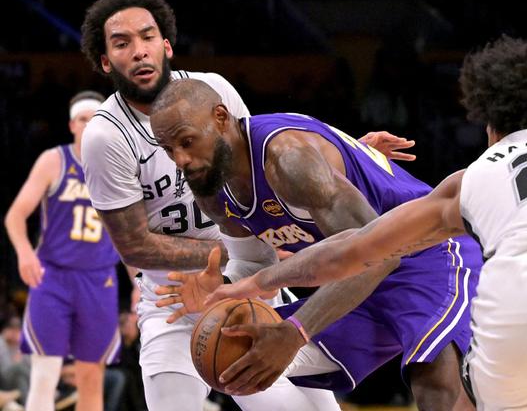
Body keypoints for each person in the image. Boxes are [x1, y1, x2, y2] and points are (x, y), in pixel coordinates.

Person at [204, 34, 527, 410]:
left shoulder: (473, 176)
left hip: (523, 306)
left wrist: (261, 279)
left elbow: (359, 249)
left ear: (491, 126)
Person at [79, 0, 414, 411]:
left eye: (147, 37)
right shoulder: (105, 136)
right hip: (175, 300)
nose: (139, 51)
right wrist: (229, 257)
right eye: (122, 43)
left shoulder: (212, 90)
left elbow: (260, 157)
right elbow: (134, 244)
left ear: (167, 45)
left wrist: (347, 151)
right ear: (106, 61)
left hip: (252, 284)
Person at [149, 78, 483, 410]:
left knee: (437, 389)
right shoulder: (211, 188)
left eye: (187, 142)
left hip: (427, 255)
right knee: (240, 354)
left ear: (221, 118)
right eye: (169, 150)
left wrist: (295, 332)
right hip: (355, 278)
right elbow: (254, 264)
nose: (180, 160)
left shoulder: (288, 159)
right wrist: (224, 287)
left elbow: (378, 256)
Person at [4, 91, 121, 411]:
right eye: (82, 119)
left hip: (99, 279)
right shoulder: (54, 160)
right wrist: (24, 253)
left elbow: (132, 234)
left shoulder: (119, 167)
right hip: (52, 276)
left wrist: (139, 280)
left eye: (95, 120)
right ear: (72, 125)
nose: (89, 125)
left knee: (91, 377)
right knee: (45, 373)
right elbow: (15, 215)